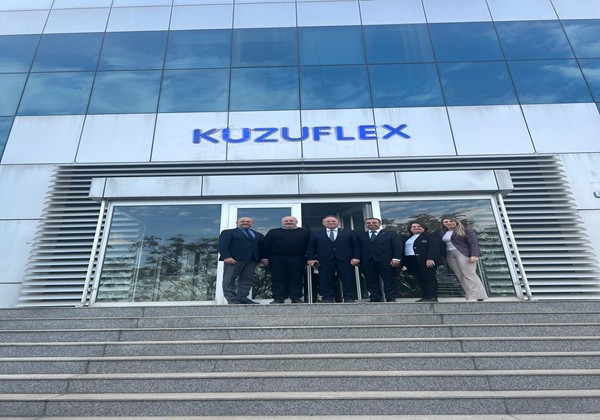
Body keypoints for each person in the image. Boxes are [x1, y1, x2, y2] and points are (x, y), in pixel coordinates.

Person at [307, 215, 361, 303]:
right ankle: (327, 298)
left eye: (333, 221)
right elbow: (311, 247)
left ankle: (349, 298)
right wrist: (311, 258)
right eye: (328, 221)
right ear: (323, 223)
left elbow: (356, 245)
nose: (331, 222)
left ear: (338, 222)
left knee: (348, 279)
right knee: (325, 279)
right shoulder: (315, 233)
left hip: (345, 259)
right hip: (324, 259)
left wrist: (356, 257)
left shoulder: (349, 232)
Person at [261, 216, 310, 304]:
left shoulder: (305, 232)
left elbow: (310, 246)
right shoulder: (273, 232)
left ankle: (296, 298)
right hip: (277, 258)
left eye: (291, 220)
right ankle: (278, 298)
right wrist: (264, 258)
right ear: (282, 222)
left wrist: (310, 258)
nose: (289, 222)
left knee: (296, 278)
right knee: (277, 278)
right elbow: (265, 246)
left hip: (298, 258)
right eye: (286, 221)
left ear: (296, 222)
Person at [441, 216, 488, 302]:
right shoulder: (443, 233)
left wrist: (474, 255)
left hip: (463, 253)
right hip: (449, 254)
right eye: (446, 222)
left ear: (456, 221)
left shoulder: (466, 230)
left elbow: (473, 243)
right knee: (460, 275)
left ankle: (477, 296)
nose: (449, 223)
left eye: (451, 221)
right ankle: (470, 295)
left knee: (469, 274)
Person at [218, 216, 264, 304]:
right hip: (234, 259)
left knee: (247, 280)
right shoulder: (228, 232)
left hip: (252, 260)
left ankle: (243, 298)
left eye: (248, 221)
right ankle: (232, 298)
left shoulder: (258, 235)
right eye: (243, 221)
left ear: (252, 223)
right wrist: (226, 256)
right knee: (229, 279)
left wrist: (263, 258)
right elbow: (223, 245)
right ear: (237, 223)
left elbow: (261, 247)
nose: (245, 223)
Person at [358, 217, 402, 302]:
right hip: (367, 260)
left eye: (374, 222)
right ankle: (375, 297)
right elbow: (358, 248)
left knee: (389, 279)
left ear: (380, 223)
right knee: (370, 280)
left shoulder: (390, 234)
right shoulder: (361, 235)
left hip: (386, 260)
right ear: (365, 224)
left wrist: (396, 258)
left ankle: (390, 297)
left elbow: (397, 246)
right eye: (368, 223)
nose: (371, 224)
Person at [402, 220, 442, 302]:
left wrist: (431, 258)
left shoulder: (430, 236)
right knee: (420, 278)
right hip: (411, 260)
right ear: (410, 228)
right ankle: (425, 296)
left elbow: (435, 248)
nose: (416, 228)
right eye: (413, 227)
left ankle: (432, 296)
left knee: (429, 278)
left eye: (419, 226)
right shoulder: (408, 238)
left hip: (425, 260)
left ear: (424, 228)